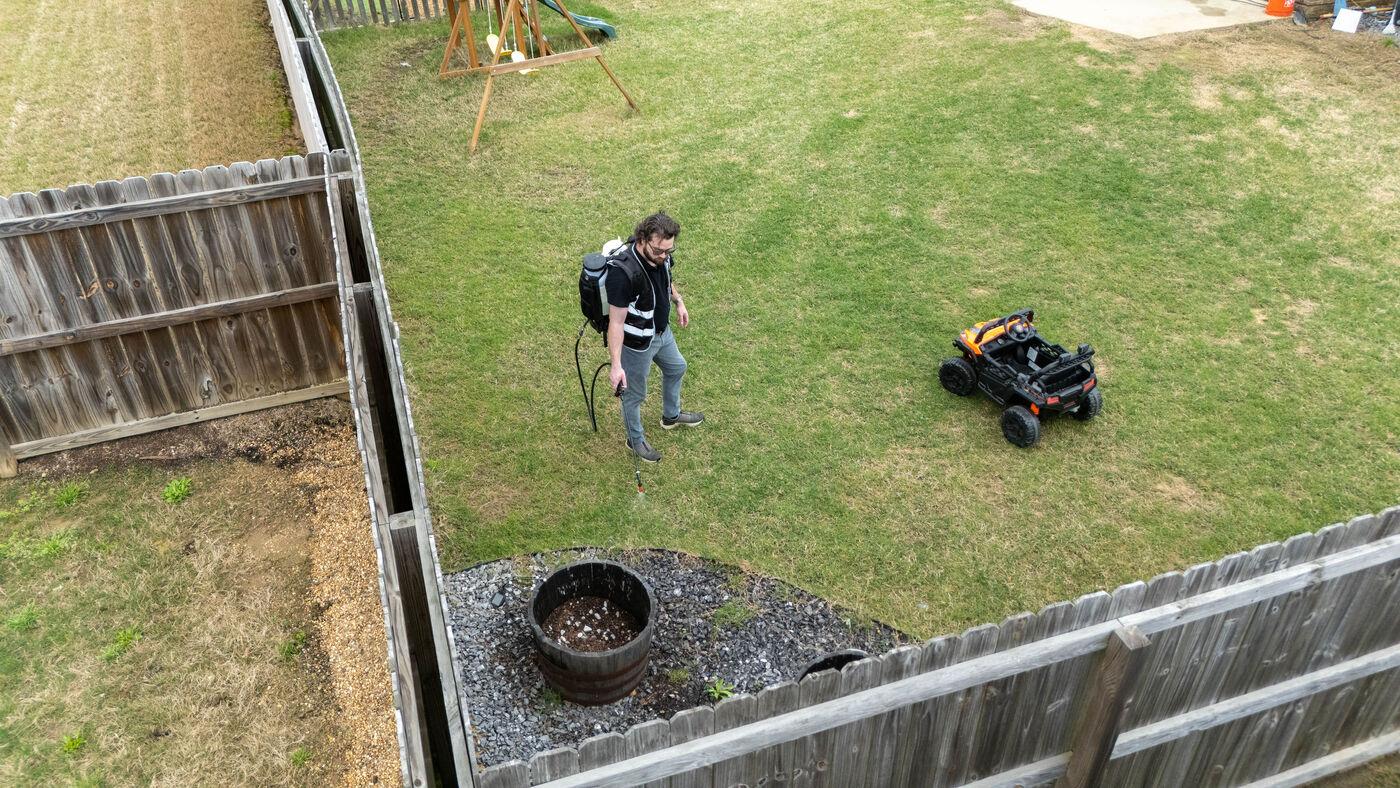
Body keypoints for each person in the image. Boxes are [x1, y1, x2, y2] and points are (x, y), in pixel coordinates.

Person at [606, 212, 704, 463]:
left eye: (669, 251)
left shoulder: (663, 258)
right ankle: (635, 439)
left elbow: (667, 279)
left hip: (662, 332)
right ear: (642, 239)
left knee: (677, 367)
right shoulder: (624, 273)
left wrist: (679, 301)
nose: (664, 256)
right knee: (634, 395)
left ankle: (671, 416)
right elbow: (615, 323)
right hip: (637, 344)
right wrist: (616, 366)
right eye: (659, 250)